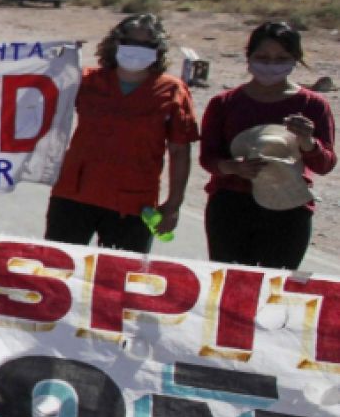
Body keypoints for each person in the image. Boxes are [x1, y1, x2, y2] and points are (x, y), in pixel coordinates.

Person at [46, 14, 197, 253]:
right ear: (115, 43)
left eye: (146, 45)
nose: (137, 50)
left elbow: (180, 151)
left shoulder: (172, 91)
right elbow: (37, 98)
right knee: (59, 266)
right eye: (130, 42)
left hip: (133, 203)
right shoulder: (85, 81)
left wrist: (174, 203)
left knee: (120, 274)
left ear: (158, 50)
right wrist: (57, 61)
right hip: (74, 194)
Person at [199, 21, 336, 270]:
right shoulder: (225, 103)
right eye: (263, 57)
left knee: (276, 285)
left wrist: (308, 142)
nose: (271, 65)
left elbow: (325, 164)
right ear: (249, 57)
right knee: (231, 284)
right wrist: (233, 168)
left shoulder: (313, 105)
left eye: (281, 58)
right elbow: (208, 158)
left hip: (289, 206)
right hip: (231, 206)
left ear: (295, 59)